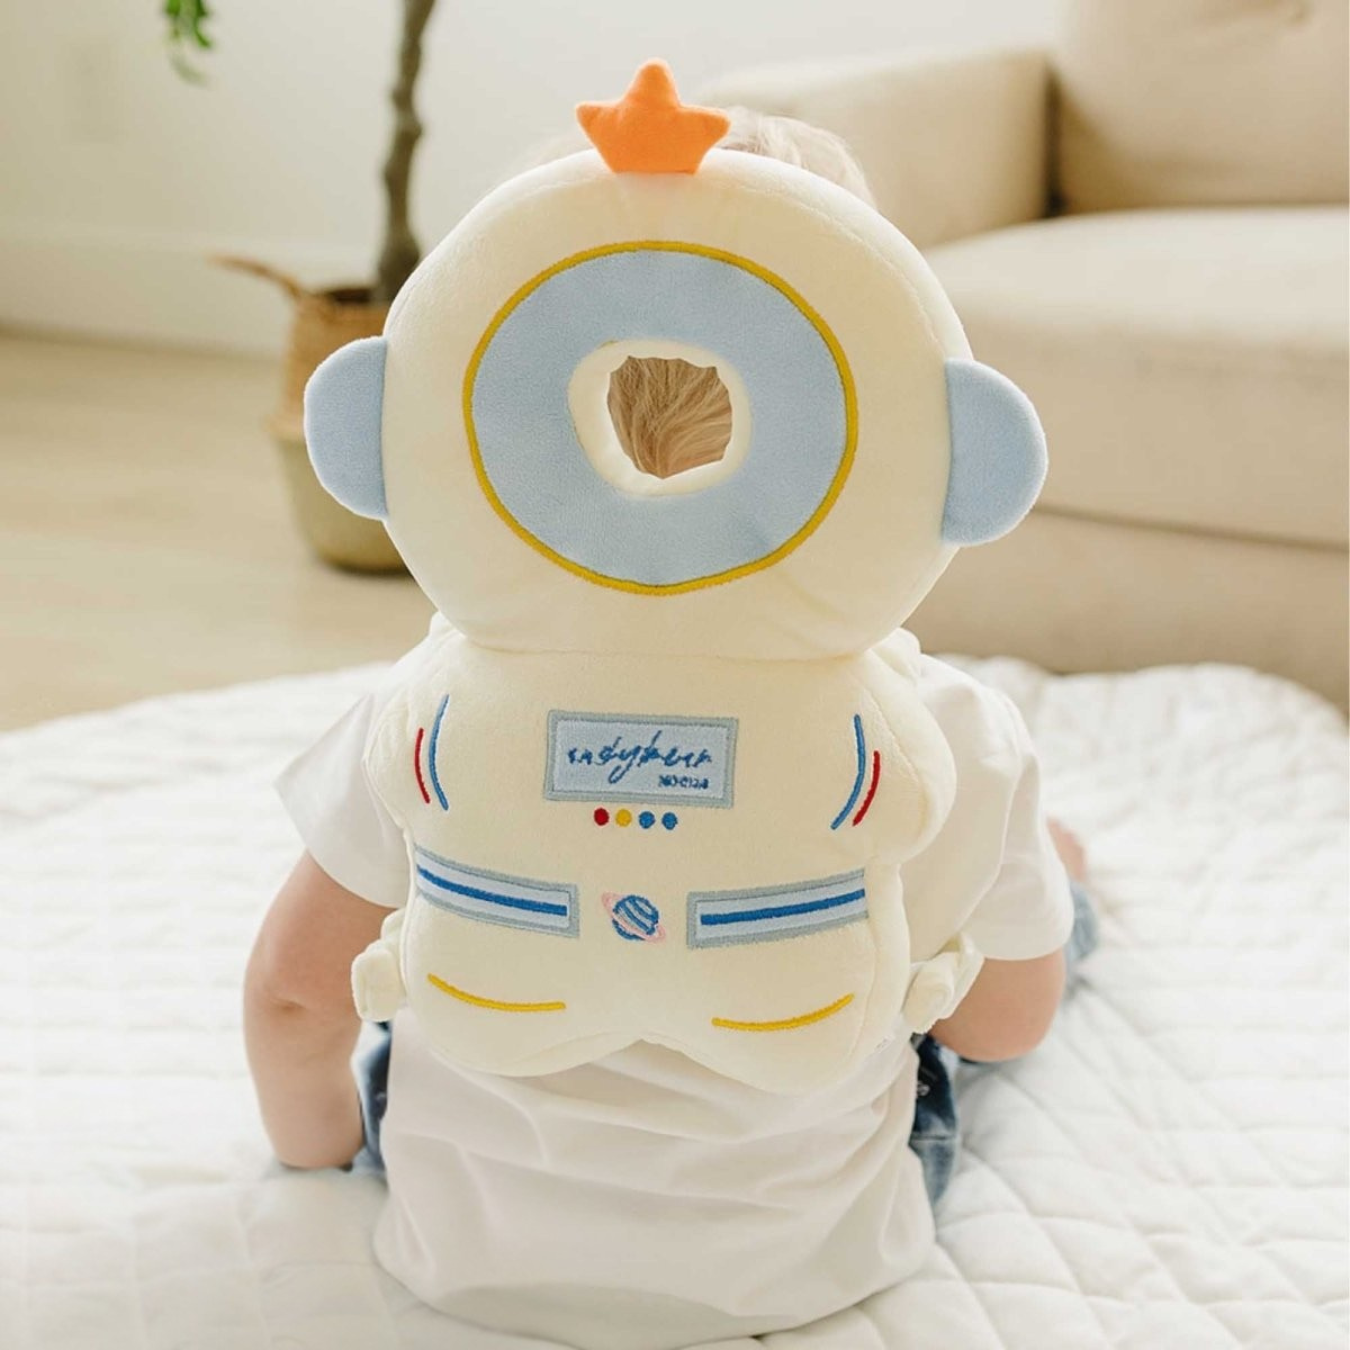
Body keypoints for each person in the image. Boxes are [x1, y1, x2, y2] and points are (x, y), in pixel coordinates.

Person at [243, 107, 1097, 1348]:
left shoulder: (427, 719)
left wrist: (318, 1157)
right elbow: (1004, 1025)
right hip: (807, 1258)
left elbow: (292, 996)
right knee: (1010, 921)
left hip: (465, 1245)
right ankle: (1061, 875)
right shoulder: (948, 733)